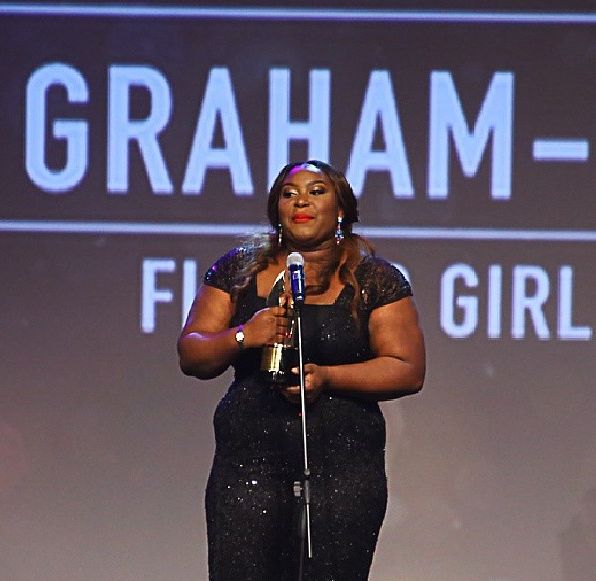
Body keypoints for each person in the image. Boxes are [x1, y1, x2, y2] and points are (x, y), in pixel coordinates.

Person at [177, 160, 426, 581]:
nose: (301, 202)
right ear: (276, 208)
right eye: (289, 194)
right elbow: (192, 352)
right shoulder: (240, 270)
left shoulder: (374, 279)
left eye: (316, 191)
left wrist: (328, 378)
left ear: (341, 208)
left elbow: (407, 368)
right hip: (250, 463)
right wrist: (246, 335)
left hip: (341, 464)